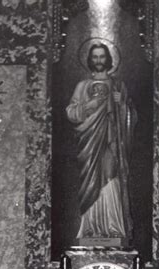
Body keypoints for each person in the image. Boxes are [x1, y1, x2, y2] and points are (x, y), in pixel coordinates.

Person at [66, 42, 136, 241]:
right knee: (91, 181)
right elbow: (71, 112)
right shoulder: (82, 86)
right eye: (95, 57)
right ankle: (90, 229)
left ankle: (114, 228)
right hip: (89, 143)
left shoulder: (118, 85)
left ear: (108, 59)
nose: (98, 60)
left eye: (102, 57)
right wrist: (89, 106)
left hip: (111, 141)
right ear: (89, 60)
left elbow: (131, 117)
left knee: (110, 174)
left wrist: (121, 103)